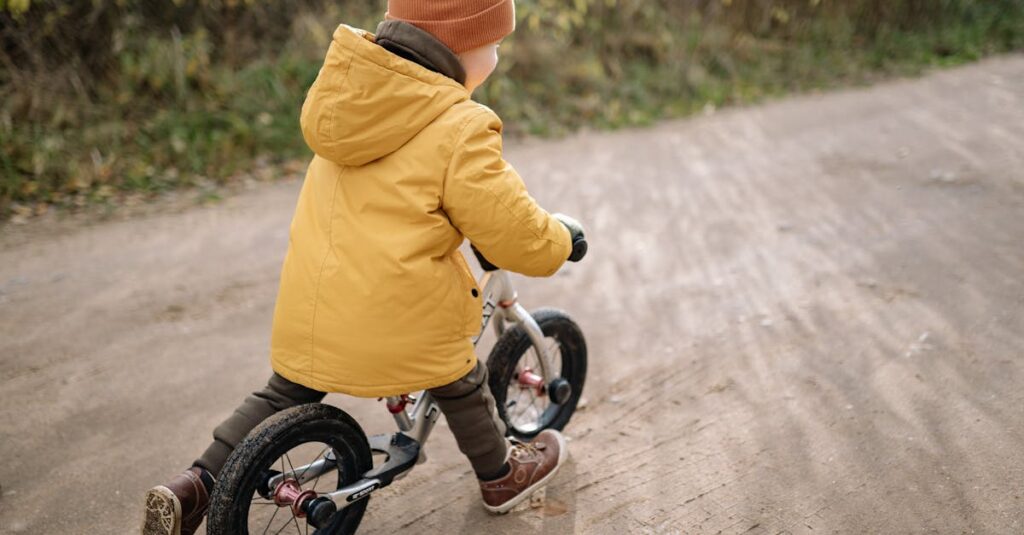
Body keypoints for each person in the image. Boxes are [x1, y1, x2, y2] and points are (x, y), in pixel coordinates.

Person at [141, 1, 586, 533]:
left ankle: (194, 486)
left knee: (283, 393)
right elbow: (514, 231)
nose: (496, 55)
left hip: (314, 310)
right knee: (457, 374)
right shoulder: (460, 125)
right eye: (494, 45)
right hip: (396, 324)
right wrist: (559, 241)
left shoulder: (346, 100)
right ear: (460, 46)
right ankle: (501, 475)